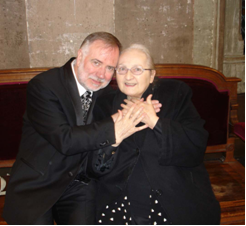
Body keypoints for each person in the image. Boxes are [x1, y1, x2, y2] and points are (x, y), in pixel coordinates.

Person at [2, 32, 150, 225]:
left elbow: (137, 90)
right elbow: (65, 140)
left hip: (80, 182)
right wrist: (116, 120)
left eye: (110, 68)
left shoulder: (105, 92)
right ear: (80, 56)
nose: (101, 75)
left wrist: (142, 107)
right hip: (39, 182)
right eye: (96, 63)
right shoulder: (44, 86)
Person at [89, 44, 221, 225]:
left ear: (151, 75)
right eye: (122, 69)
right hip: (118, 196)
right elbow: (93, 166)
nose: (128, 76)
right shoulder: (104, 104)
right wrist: (114, 137)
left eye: (137, 69)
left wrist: (155, 121)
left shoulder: (175, 94)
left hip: (171, 194)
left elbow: (195, 146)